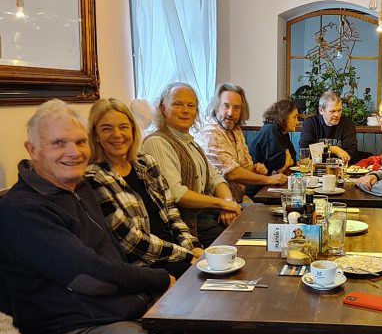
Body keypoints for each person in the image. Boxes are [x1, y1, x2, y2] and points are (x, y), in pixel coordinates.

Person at [0, 100, 187, 334]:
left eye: (79, 142)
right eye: (58, 143)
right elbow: (89, 276)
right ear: (33, 150)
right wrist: (159, 280)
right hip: (71, 333)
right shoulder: (22, 210)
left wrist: (148, 295)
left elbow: (114, 255)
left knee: (212, 332)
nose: (74, 152)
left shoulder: (80, 186)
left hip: (118, 311)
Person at [85, 98, 203, 278]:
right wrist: (185, 255)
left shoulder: (146, 163)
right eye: (107, 129)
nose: (117, 134)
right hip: (144, 266)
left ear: (133, 130)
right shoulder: (94, 178)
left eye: (123, 127)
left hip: (175, 253)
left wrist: (192, 246)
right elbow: (130, 241)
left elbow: (171, 211)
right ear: (95, 135)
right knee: (207, 279)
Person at [140, 82, 241, 248]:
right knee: (241, 242)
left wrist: (228, 202)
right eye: (178, 104)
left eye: (191, 105)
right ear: (163, 109)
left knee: (254, 219)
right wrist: (222, 203)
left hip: (205, 215)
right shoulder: (157, 142)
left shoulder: (191, 143)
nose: (185, 110)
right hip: (183, 227)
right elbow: (177, 194)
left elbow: (215, 178)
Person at [200, 83, 287, 202]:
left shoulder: (235, 130)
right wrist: (269, 179)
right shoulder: (210, 132)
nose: (230, 113)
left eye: (236, 108)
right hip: (217, 204)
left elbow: (245, 166)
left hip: (238, 198)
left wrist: (255, 169)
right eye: (226, 106)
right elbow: (232, 173)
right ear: (216, 106)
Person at [299, 90, 358, 163]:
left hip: (340, 167)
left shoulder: (348, 124)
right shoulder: (310, 123)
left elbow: (351, 153)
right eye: (332, 111)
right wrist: (333, 149)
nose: (337, 115)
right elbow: (305, 150)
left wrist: (320, 150)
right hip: (316, 167)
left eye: (339, 110)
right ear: (321, 110)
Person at [248, 99, 298, 175]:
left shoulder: (283, 133)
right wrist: (287, 162)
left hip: (269, 178)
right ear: (284, 116)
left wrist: (288, 162)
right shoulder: (271, 129)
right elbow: (278, 164)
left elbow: (293, 159)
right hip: (257, 180)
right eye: (294, 117)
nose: (297, 122)